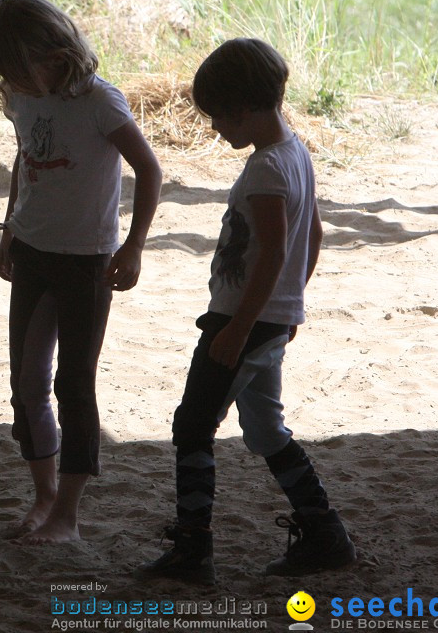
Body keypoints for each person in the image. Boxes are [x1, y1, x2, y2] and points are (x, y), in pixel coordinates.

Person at [136, 38, 355, 584]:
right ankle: (324, 531)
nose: (216, 130)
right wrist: (290, 305)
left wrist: (239, 327)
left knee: (192, 425)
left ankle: (193, 548)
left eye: (219, 118)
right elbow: (314, 236)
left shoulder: (265, 171)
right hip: (267, 319)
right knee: (264, 428)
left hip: (242, 321)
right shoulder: (295, 152)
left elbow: (278, 250)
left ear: (244, 108)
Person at [0, 0, 163, 545]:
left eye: (17, 68)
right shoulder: (23, 97)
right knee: (26, 380)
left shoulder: (101, 103)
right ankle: (45, 495)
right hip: (32, 252)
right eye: (4, 73)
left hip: (86, 261)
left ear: (53, 53)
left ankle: (70, 514)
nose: (11, 81)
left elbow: (149, 171)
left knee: (74, 382)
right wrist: (10, 225)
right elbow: (23, 159)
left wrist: (133, 245)